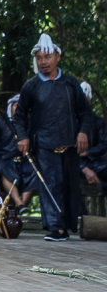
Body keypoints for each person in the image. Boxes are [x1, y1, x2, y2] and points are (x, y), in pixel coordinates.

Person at [13, 34, 93, 242]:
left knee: (68, 185)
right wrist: (23, 136)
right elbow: (20, 115)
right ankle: (55, 228)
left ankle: (67, 225)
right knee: (50, 184)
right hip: (45, 144)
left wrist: (83, 132)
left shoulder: (70, 83)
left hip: (70, 142)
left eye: (47, 57)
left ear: (57, 56)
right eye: (39, 58)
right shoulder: (31, 86)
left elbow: (85, 112)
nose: (43, 62)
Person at [0, 95, 36, 211]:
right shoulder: (0, 123)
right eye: (16, 106)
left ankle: (22, 205)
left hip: (21, 160)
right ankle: (19, 203)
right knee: (4, 169)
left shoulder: (27, 124)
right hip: (2, 159)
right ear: (11, 107)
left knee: (33, 171)